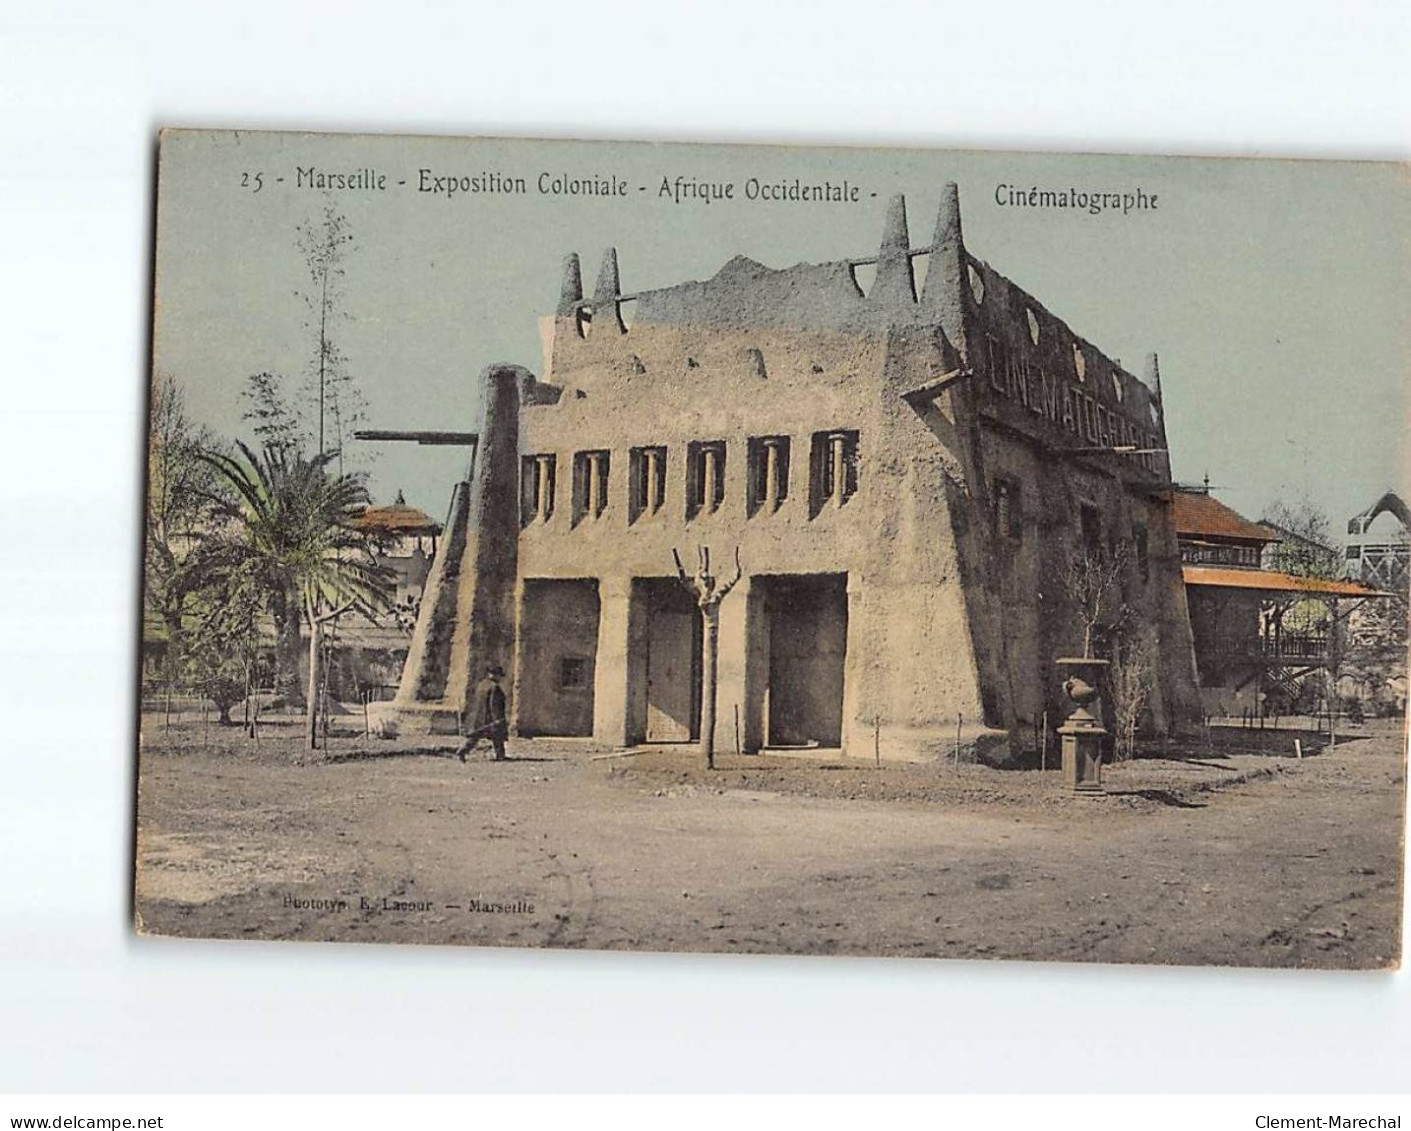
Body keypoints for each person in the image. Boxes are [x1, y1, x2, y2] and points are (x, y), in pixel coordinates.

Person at [458, 664, 509, 762]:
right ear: (495, 675)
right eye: (499, 675)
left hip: (478, 717)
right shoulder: (495, 688)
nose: (500, 678)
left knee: (475, 736)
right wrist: (497, 719)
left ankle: (463, 750)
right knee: (498, 736)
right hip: (489, 718)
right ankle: (500, 755)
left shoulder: (482, 685)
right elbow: (494, 704)